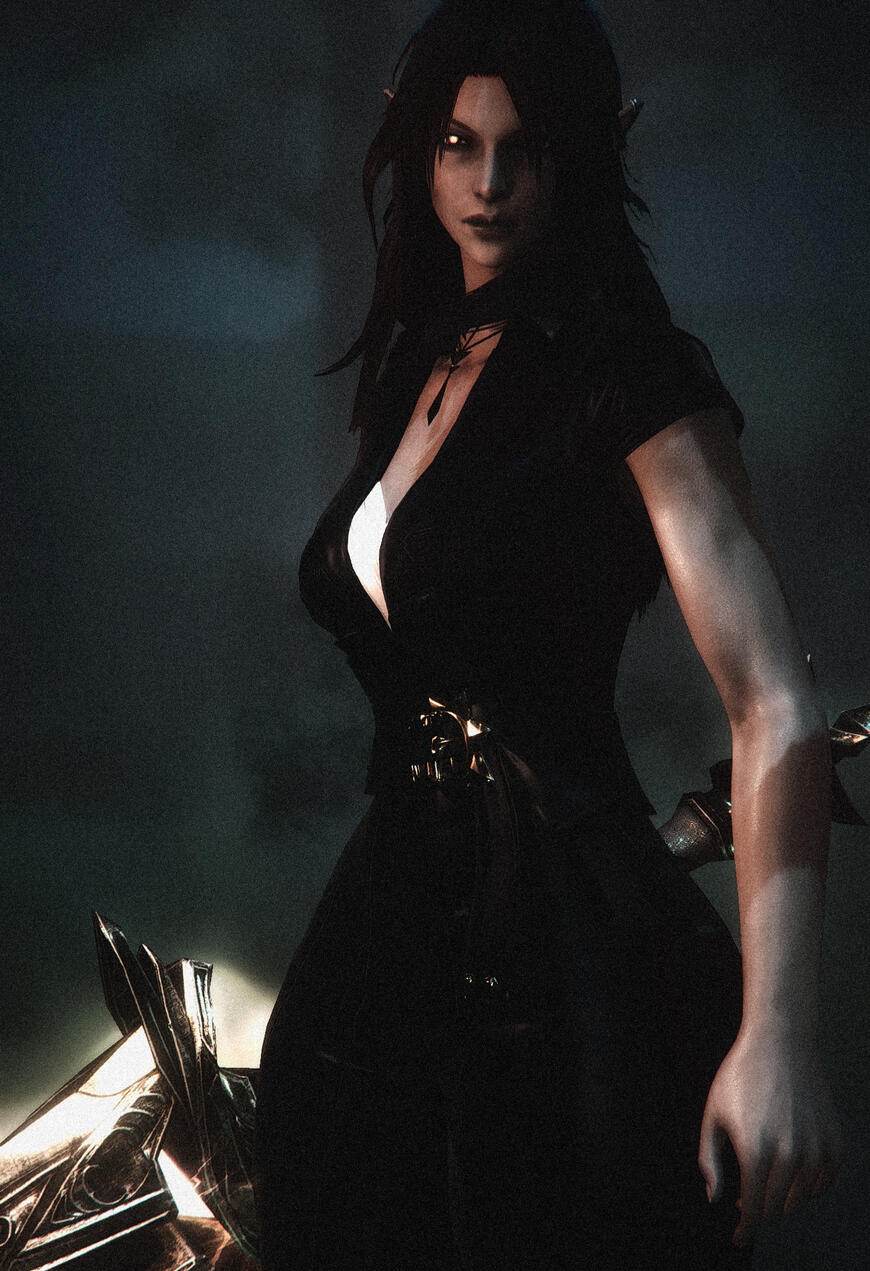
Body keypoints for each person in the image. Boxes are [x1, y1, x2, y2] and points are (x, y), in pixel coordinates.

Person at [252, 2, 844, 1267]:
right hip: (389, 935)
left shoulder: (628, 374)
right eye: (458, 144)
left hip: (570, 959)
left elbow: (774, 702)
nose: (490, 182)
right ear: (417, 150)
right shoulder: (423, 361)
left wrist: (782, 1032)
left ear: (587, 152)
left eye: (525, 147)